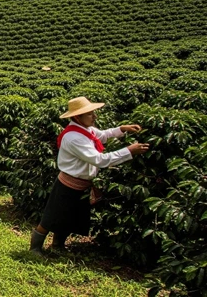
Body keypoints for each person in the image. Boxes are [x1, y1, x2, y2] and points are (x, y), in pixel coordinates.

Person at [30, 97, 150, 254]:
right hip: (68, 184)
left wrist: (122, 129)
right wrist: (129, 151)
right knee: (52, 216)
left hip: (82, 184)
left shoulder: (85, 130)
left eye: (93, 113)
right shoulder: (74, 138)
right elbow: (99, 160)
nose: (94, 117)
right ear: (77, 117)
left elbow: (102, 135)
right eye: (90, 114)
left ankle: (58, 245)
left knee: (70, 217)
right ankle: (35, 247)